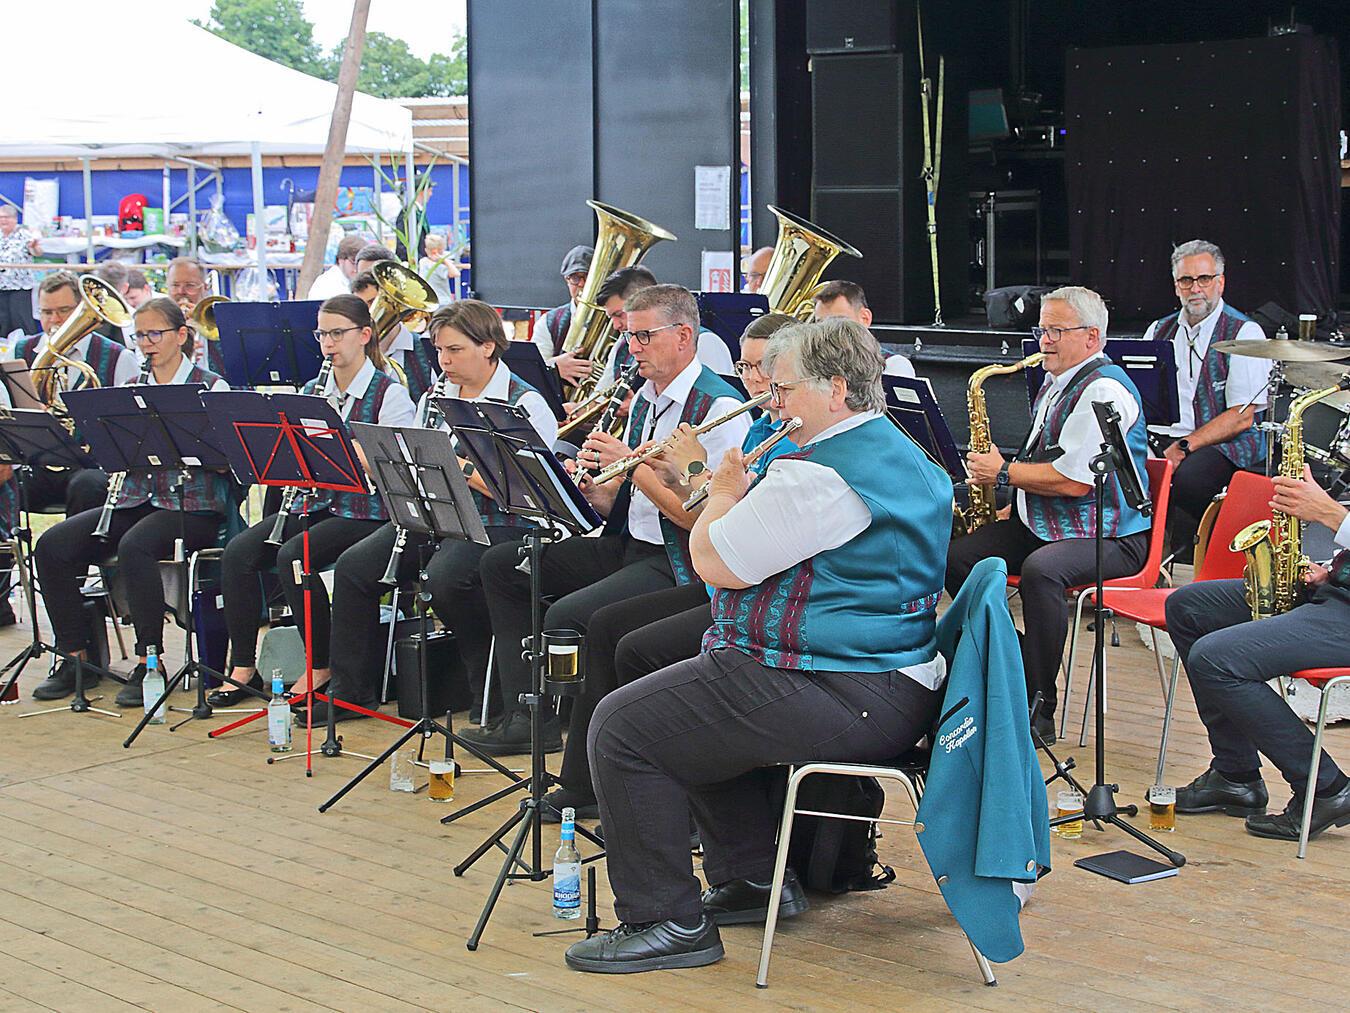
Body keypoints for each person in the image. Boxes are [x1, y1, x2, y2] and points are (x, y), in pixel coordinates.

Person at [563, 318, 952, 973]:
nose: (771, 402)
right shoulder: (887, 446)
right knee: (683, 695)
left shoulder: (824, 476)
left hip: (847, 687)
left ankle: (666, 919)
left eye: (783, 389)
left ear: (835, 389)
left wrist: (715, 492)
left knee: (623, 727)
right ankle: (750, 880)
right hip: (879, 679)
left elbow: (715, 559)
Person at [467, 284, 749, 755]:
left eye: (644, 337)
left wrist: (634, 466)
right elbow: (626, 501)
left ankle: (586, 755)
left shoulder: (718, 410)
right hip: (625, 541)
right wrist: (595, 488)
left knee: (570, 615)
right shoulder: (644, 398)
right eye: (630, 338)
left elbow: (702, 520)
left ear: (683, 335)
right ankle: (523, 716)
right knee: (503, 567)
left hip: (674, 559)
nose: (632, 348)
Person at [542, 311, 799, 820]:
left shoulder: (774, 431)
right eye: (745, 369)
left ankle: (650, 793)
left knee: (618, 635)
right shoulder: (765, 427)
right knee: (595, 620)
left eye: (762, 370)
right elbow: (712, 507)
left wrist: (676, 469)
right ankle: (591, 780)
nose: (751, 382)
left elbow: (723, 518)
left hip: (751, 593)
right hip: (726, 577)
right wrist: (633, 479)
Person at [301, 300, 558, 722]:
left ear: (489, 347)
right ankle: (353, 691)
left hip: (500, 523)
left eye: (454, 350)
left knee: (446, 579)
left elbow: (526, 491)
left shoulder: (524, 404)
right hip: (438, 516)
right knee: (354, 567)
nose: (444, 361)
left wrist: (456, 466)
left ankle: (487, 692)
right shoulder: (436, 395)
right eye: (439, 350)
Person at [944, 286, 1150, 743]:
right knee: (956, 558)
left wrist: (1003, 472)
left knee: (1043, 571)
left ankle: (1041, 704)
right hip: (1047, 524)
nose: (1044, 340)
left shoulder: (1104, 390)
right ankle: (1013, 660)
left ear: (1092, 337)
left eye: (1057, 331)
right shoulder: (1058, 384)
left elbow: (1075, 481)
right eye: (1042, 329)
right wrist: (1008, 504)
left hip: (1114, 536)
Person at [29, 297, 232, 703]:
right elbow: (108, 453)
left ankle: (149, 661)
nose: (146, 343)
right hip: (134, 499)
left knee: (135, 546)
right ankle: (75, 657)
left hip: (193, 506)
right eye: (139, 335)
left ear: (180, 336)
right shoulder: (130, 389)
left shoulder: (212, 386)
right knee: (52, 546)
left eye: (154, 334)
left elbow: (230, 462)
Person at [217, 295, 415, 705]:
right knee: (238, 553)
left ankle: (320, 663)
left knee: (294, 555)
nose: (328, 342)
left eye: (337, 333)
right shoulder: (312, 390)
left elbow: (393, 462)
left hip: (369, 511)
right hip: (320, 503)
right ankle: (242, 664)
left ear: (364, 335)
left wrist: (340, 449)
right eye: (322, 333)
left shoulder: (389, 395)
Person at [1165, 465, 1350, 840]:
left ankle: (1325, 788)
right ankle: (1235, 775)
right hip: (1337, 594)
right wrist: (1331, 571)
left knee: (1216, 659)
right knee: (1187, 607)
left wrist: (1329, 513)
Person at [1142, 239, 1271, 558]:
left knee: (1189, 478)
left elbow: (1242, 416)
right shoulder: (1158, 330)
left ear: (1220, 282)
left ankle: (1224, 552)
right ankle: (1137, 563)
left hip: (1224, 441)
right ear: (1176, 286)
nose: (1195, 288)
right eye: (1186, 280)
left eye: (1204, 279)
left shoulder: (1244, 332)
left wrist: (1186, 446)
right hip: (1165, 436)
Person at [8, 270, 140, 515]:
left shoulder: (118, 357)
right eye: (47, 312)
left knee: (87, 486)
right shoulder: (22, 351)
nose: (55, 320)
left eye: (63, 311)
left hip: (92, 467)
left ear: (80, 308)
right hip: (37, 463)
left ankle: (77, 551)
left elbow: (131, 425)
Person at [348, 261, 440, 403]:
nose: (367, 312)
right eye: (361, 305)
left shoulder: (426, 348)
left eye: (372, 302)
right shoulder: (354, 351)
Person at [813, 279, 915, 378]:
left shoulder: (894, 366)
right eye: (820, 323)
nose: (826, 331)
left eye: (838, 321)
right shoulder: (811, 364)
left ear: (865, 318)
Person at [529, 244, 596, 387]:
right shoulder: (548, 322)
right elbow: (533, 371)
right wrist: (555, 367)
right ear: (567, 280)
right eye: (575, 278)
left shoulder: (615, 319)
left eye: (588, 277)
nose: (583, 284)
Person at [165, 258, 225, 375]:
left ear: (205, 287)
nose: (181, 291)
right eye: (175, 285)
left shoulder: (219, 320)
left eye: (190, 285)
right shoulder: (158, 323)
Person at [0, 204, 39, 339]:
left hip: (20, 285)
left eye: (6, 217)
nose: (3, 220)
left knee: (21, 319)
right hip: (1, 286)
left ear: (15, 219)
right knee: (2, 321)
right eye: (1, 217)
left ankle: (28, 347)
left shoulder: (24, 234)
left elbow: (37, 252)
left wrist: (34, 247)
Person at [307, 235, 367, 302]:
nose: (357, 267)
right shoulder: (329, 283)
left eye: (360, 262)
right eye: (353, 262)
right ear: (340, 260)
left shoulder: (349, 279)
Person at [418, 232, 460, 304]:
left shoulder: (422, 262)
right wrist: (445, 261)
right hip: (442, 302)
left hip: (427, 301)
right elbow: (456, 273)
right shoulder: (439, 267)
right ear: (436, 251)